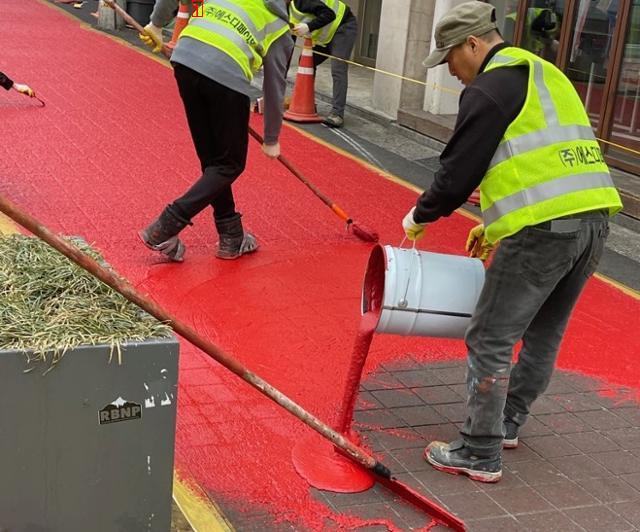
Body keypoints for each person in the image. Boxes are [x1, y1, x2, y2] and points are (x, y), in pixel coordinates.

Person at [402, 1, 622, 483]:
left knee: (490, 336)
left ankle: (480, 450)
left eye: (450, 59)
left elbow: (458, 172)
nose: (451, 73)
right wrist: (495, 224)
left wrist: (420, 215)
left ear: (473, 44)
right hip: (594, 223)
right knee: (544, 334)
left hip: (544, 233)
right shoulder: (544, 73)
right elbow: (543, 159)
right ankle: (506, 424)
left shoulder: (490, 88)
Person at [138, 0, 293, 261]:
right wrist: (271, 138)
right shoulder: (279, 28)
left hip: (186, 59)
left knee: (213, 160)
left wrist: (156, 23)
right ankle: (166, 225)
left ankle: (231, 237)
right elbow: (274, 88)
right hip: (226, 73)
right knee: (230, 164)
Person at [288, 0, 357, 128]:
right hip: (327, 34)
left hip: (344, 26)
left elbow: (329, 14)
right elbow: (288, 49)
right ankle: (306, 103)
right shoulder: (283, 12)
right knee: (306, 62)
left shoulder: (301, 2)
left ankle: (337, 114)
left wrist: (308, 27)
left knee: (338, 68)